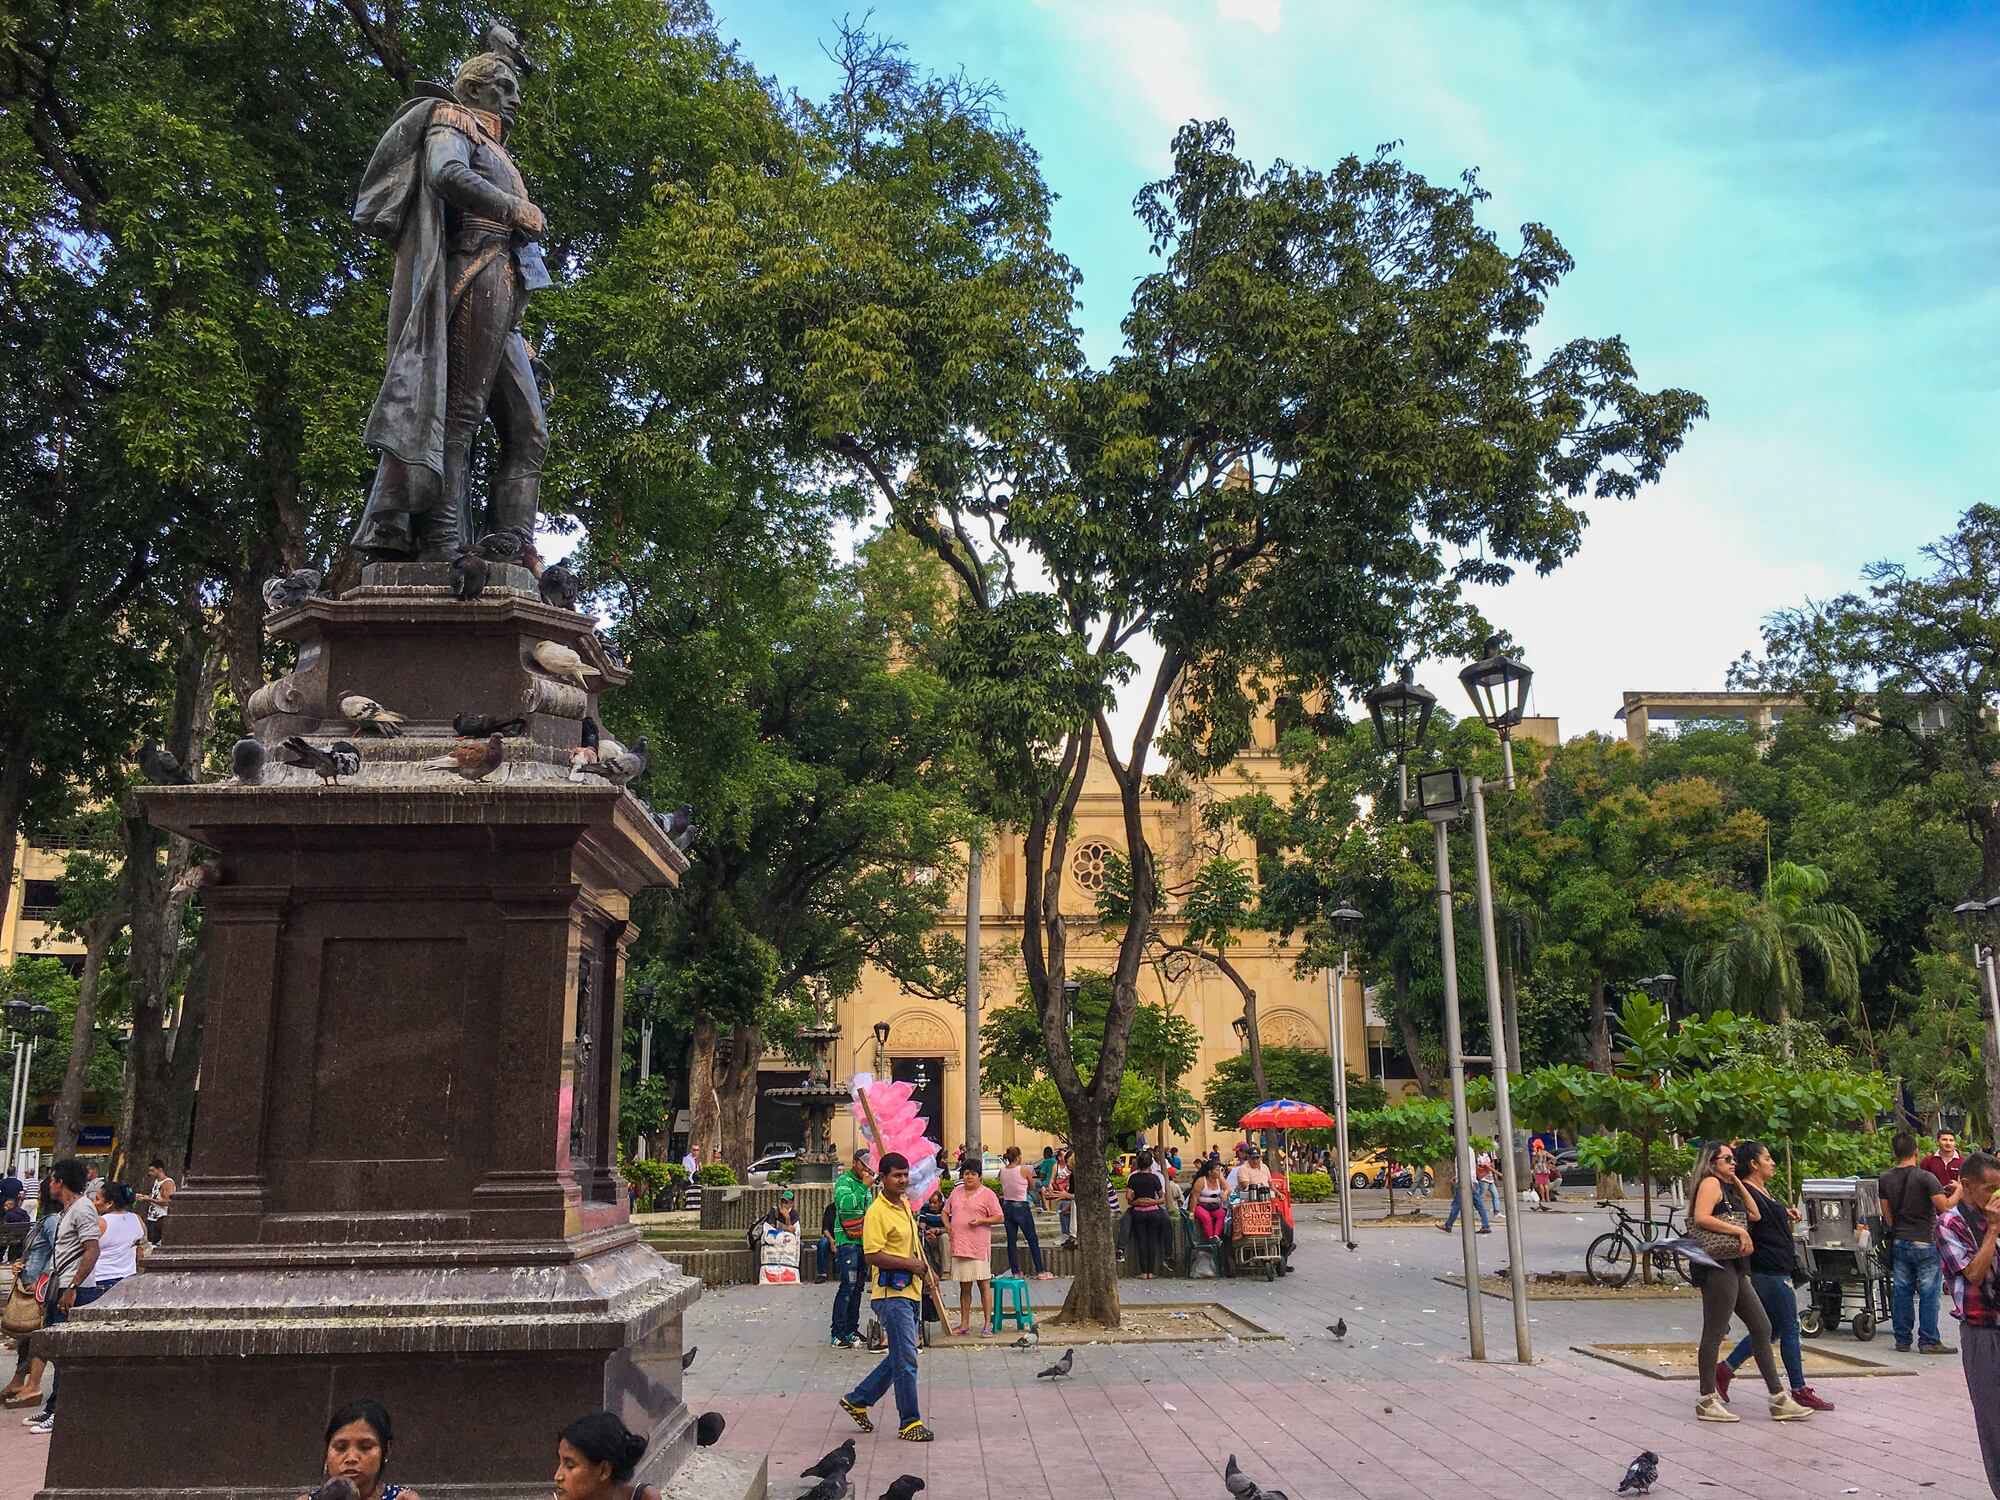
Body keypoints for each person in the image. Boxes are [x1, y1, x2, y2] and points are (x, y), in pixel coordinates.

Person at [1688, 1141, 1810, 1423]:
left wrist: (1737, 1183)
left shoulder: (1728, 1186)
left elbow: (1754, 1213)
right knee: (1715, 1331)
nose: (1733, 1163)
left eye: (1733, 1159)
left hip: (1734, 1263)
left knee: (1762, 1326)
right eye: (1727, 1159)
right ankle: (1706, 1398)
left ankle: (1778, 1397)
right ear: (1711, 1161)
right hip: (1716, 1263)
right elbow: (1701, 1217)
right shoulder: (1709, 1183)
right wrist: (1737, 1231)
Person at [1713, 1141, 1834, 1412]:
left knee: (1770, 1329)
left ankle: (1726, 1368)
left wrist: (1785, 1214)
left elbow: (1766, 1219)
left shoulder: (1761, 1190)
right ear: (1754, 1163)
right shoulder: (1747, 1191)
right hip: (1768, 1269)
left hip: (1776, 1265)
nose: (1773, 1162)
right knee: (1790, 1326)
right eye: (1767, 1158)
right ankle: (1799, 1388)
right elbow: (1752, 1221)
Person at [838, 1152, 935, 1443]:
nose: (903, 1180)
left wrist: (926, 1270)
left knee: (900, 1355)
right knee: (907, 1356)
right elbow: (872, 1253)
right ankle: (910, 1422)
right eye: (897, 1175)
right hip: (891, 1294)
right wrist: (911, 1265)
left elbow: (913, 1247)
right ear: (882, 1178)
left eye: (905, 1174)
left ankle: (858, 1399)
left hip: (911, 1290)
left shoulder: (904, 1206)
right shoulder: (877, 1212)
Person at [1935, 1150, 2000, 1496]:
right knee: (1994, 1422)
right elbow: (1973, 1275)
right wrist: (1992, 1230)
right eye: (1989, 1188)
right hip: (1983, 1333)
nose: (1994, 1196)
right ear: (1967, 1185)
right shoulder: (1951, 1224)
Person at [26, 1157, 103, 1435]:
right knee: (58, 1348)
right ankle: (53, 1405)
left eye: (53, 1179)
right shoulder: (67, 1211)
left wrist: (73, 1287)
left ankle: (61, 1410)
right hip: (62, 1286)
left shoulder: (82, 1210)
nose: (49, 1185)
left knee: (66, 1349)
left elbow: (92, 1249)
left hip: (75, 1289)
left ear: (61, 1182)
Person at [1880, 1129, 1959, 1354]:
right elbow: (1944, 1207)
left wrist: (1899, 1229)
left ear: (1895, 1154)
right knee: (1929, 1293)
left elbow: (1886, 1213)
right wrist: (1959, 1192)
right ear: (1916, 1152)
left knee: (1902, 1291)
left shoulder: (1885, 1178)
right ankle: (1928, 1340)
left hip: (1900, 1241)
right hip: (1925, 1241)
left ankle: (1902, 1339)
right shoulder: (1926, 1178)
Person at [0, 1182, 56, 1410]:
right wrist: (20, 1265)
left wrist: (43, 1280)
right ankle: (18, 1380)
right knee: (25, 1334)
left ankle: (30, 1385)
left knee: (34, 1333)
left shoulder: (52, 1221)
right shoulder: (44, 1221)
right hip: (29, 1279)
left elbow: (58, 1251)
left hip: (37, 1286)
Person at [297, 1399, 418, 1500]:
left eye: (365, 1447)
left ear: (387, 1449)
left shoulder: (403, 1498)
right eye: (340, 1447)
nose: (351, 1458)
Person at [940, 1161, 1003, 1335]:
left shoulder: (988, 1194)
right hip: (960, 1246)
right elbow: (945, 1212)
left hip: (979, 1247)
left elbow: (999, 1217)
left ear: (979, 1176)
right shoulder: (956, 1192)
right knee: (964, 1287)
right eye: (966, 1173)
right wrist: (947, 1226)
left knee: (984, 1285)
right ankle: (964, 1323)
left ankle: (987, 1324)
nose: (969, 1177)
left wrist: (982, 1221)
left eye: (973, 1174)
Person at [552, 1409, 658, 1500]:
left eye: (570, 1465)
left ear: (604, 1471)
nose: (557, 1476)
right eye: (560, 1462)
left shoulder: (644, 1497)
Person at [829, 1151, 874, 1350]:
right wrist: (864, 1187)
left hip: (864, 1239)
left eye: (868, 1166)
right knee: (848, 1285)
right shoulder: (843, 1182)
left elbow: (870, 1209)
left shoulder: (867, 1185)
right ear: (854, 1163)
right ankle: (836, 1333)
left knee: (858, 1288)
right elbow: (846, 1205)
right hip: (846, 1240)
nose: (866, 1169)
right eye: (863, 1165)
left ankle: (851, 1328)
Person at [997, 1147, 1052, 1280]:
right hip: (1021, 1205)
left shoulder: (1002, 1171)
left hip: (1007, 1206)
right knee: (1032, 1239)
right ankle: (1040, 1271)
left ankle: (1015, 1271)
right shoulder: (1024, 1170)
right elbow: (1032, 1186)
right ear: (1018, 1157)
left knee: (1011, 1240)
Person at [92, 1182, 146, 1293]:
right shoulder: (137, 1220)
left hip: (101, 1279)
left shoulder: (100, 1223)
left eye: (97, 1199)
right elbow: (140, 1253)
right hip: (129, 1279)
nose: (94, 1203)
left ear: (109, 1203)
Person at [1126, 1153, 1171, 1279]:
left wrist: (1136, 1202)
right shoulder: (1154, 1178)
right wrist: (1152, 1201)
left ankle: (1143, 1271)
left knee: (1142, 1241)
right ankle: (1151, 1271)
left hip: (1139, 1212)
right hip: (1154, 1211)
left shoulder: (1133, 1178)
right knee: (1152, 1241)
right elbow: (1162, 1198)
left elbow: (1129, 1197)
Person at [1441, 1151, 1493, 1236]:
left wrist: (1468, 1181)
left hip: (1465, 1182)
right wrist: (1457, 1177)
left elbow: (1467, 1167)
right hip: (1469, 1180)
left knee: (1456, 1204)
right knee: (1479, 1204)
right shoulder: (1468, 1149)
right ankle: (1486, 1226)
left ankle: (1448, 1225)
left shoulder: (1463, 1148)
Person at [1190, 1159, 1228, 1243]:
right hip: (1201, 1205)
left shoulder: (1220, 1178)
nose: (1219, 1172)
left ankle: (1216, 1236)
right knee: (1206, 1218)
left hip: (1215, 1205)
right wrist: (1191, 1213)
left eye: (1220, 1170)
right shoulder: (1201, 1180)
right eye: (1217, 1170)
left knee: (1221, 1214)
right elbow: (1194, 1197)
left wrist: (1225, 1193)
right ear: (1210, 1172)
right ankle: (1210, 1237)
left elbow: (1227, 1188)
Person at [1049, 1149, 1076, 1248]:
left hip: (1072, 1199)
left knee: (1066, 1205)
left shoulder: (1076, 1175)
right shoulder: (1056, 1167)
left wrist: (1067, 1196)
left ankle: (1072, 1236)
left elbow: (1082, 1197)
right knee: (1063, 1207)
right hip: (1067, 1195)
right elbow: (1051, 1180)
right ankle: (1067, 1235)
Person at [1531, 1140, 1556, 1209]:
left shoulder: (1535, 1153)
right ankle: (1548, 1198)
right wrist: (1548, 1162)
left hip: (1538, 1168)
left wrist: (1534, 1167)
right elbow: (1553, 1157)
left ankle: (1543, 1198)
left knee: (1540, 1184)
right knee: (1545, 1184)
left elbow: (1533, 1163)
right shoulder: (1545, 1152)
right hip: (1545, 1168)